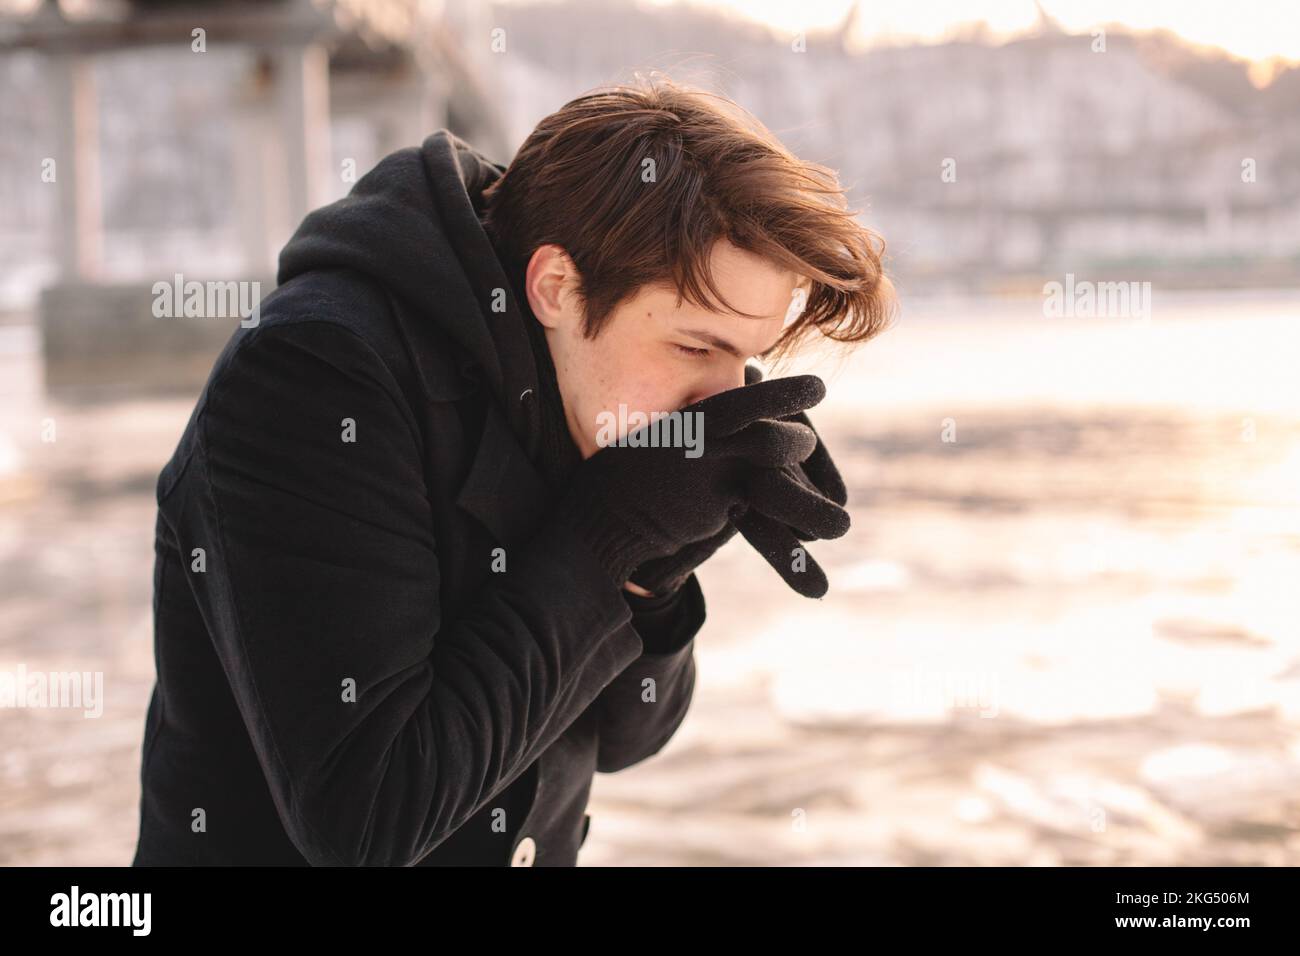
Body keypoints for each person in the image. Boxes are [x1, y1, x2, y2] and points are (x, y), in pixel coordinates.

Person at [131, 76, 895, 867]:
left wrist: (650, 576)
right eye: (696, 347)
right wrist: (608, 538)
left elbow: (626, 740)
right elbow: (366, 819)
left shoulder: (586, 396)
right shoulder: (316, 376)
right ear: (557, 287)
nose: (722, 397)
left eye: (747, 359)